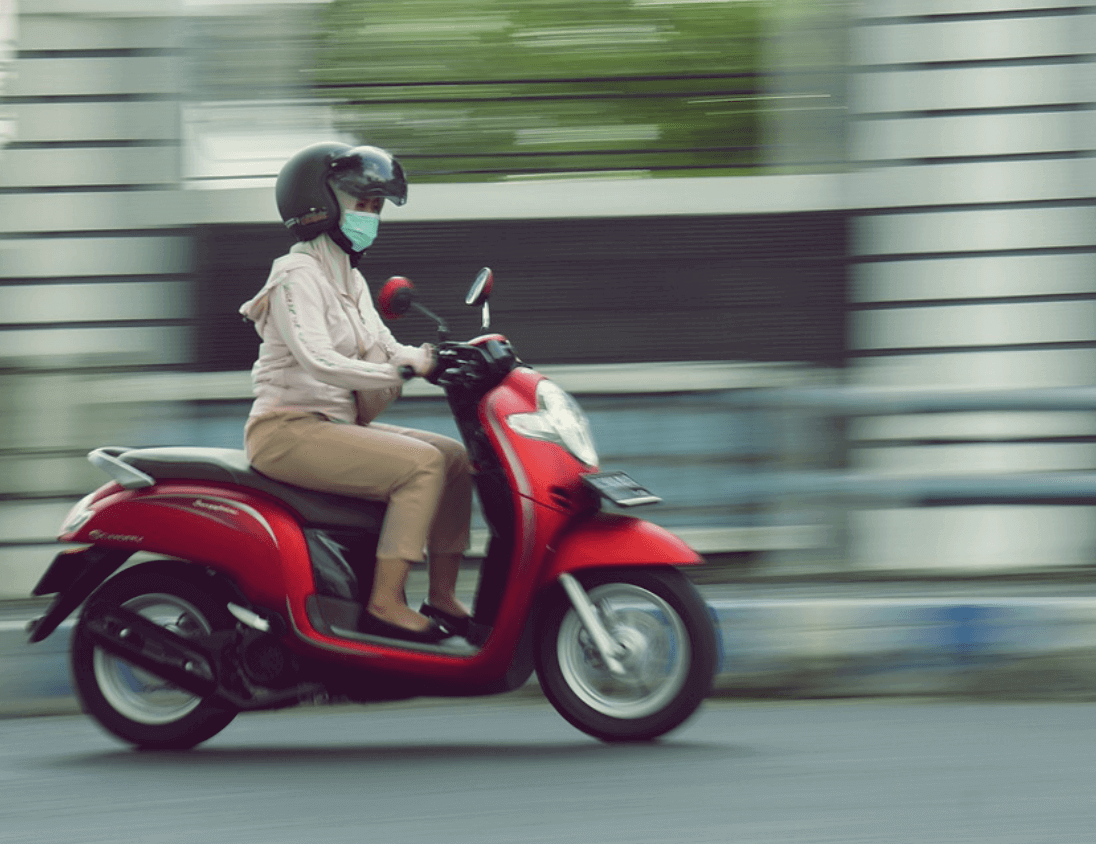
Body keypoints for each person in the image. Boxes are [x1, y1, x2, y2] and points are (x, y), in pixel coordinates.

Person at [239, 141, 473, 644]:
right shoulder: (294, 276)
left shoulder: (352, 279)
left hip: (335, 427)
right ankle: (385, 604)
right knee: (422, 464)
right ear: (317, 205)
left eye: (375, 207)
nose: (370, 216)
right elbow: (319, 362)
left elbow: (386, 346)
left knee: (453, 457)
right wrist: (401, 372)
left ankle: (444, 597)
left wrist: (438, 359)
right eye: (361, 204)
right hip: (287, 431)